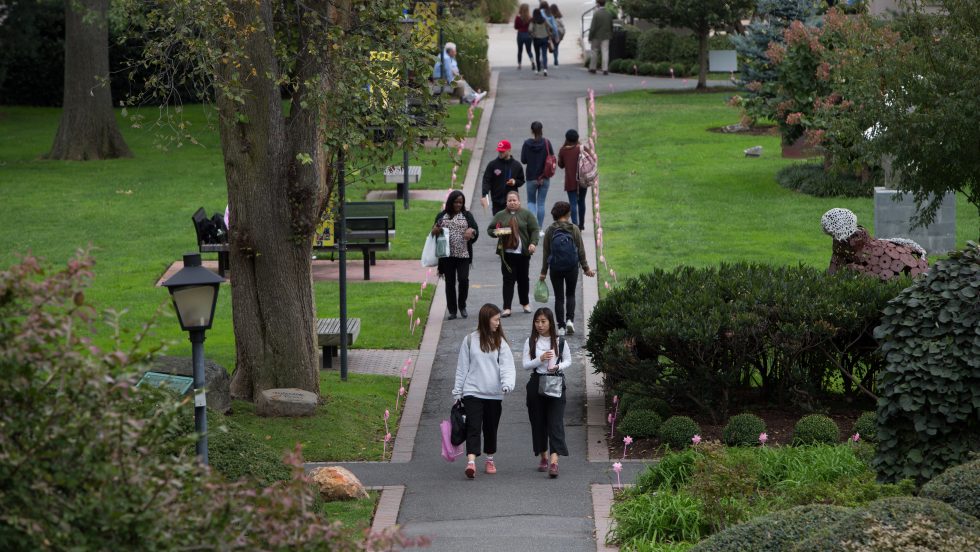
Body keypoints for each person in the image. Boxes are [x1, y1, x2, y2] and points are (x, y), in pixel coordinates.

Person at [453, 303, 516, 478]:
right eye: (495, 320)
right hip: (472, 391)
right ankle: (471, 462)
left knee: (490, 427)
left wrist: (507, 384)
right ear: (486, 319)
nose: (498, 323)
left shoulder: (500, 342)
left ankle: (489, 458)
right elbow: (462, 368)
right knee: (473, 426)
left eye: (499, 320)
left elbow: (507, 367)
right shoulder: (469, 340)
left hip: (494, 393)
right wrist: (457, 393)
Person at [522, 307, 571, 478]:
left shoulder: (560, 341)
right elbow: (525, 364)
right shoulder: (530, 341)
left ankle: (554, 461)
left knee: (555, 422)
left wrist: (558, 366)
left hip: (555, 382)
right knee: (538, 422)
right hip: (536, 383)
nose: (540, 325)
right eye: (537, 321)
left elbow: (568, 361)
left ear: (550, 323)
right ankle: (543, 455)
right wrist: (539, 359)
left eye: (543, 321)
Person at [539, 201, 595, 336]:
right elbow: (581, 250)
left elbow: (546, 252)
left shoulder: (550, 230)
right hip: (571, 267)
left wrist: (543, 272)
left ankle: (561, 326)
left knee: (559, 297)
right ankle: (570, 320)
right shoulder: (574, 228)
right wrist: (586, 268)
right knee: (570, 294)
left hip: (555, 267)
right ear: (567, 213)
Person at [488, 190, 539, 317]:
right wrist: (498, 232)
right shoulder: (500, 215)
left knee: (523, 280)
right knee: (508, 280)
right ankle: (507, 307)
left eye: (514, 200)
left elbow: (534, 229)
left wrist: (533, 243)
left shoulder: (526, 214)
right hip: (507, 255)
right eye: (509, 200)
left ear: (519, 201)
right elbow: (490, 229)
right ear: (506, 202)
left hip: (522, 254)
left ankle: (525, 303)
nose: (512, 202)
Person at [432, 190, 479, 320]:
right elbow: (434, 231)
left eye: (460, 202)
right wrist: (435, 230)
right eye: (456, 202)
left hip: (463, 254)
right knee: (450, 283)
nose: (458, 204)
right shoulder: (442, 216)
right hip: (447, 256)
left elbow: (476, 231)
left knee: (463, 280)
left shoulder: (467, 215)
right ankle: (452, 310)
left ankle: (462, 305)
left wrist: (472, 231)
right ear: (450, 202)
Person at [520, 121, 555, 229]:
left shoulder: (526, 143)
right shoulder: (546, 143)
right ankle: (539, 228)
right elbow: (552, 156)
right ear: (542, 130)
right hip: (544, 177)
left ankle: (532, 225)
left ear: (532, 131)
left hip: (531, 177)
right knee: (541, 203)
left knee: (531, 202)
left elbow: (523, 160)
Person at [481, 140, 526, 214]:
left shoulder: (516, 165)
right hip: (497, 201)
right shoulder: (492, 165)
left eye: (502, 151)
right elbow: (486, 181)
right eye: (499, 151)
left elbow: (521, 180)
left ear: (509, 150)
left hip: (512, 202)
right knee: (498, 224)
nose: (500, 153)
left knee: (511, 223)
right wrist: (484, 196)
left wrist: (514, 182)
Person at [556, 128, 588, 229]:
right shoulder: (582, 148)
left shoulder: (563, 150)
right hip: (583, 179)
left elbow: (561, 165)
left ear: (567, 139)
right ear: (577, 138)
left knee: (573, 204)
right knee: (582, 201)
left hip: (570, 181)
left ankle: (575, 226)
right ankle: (582, 224)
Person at [588, 0, 613, 75]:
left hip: (596, 36)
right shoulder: (609, 14)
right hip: (606, 36)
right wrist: (610, 34)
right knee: (605, 52)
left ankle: (593, 68)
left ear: (598, 4)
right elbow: (611, 25)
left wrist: (590, 37)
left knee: (594, 51)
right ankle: (605, 69)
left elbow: (592, 27)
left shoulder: (596, 14)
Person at [529, 8, 551, 77]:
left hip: (536, 39)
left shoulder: (533, 21)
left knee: (537, 54)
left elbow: (529, 29)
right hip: (544, 38)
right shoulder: (544, 19)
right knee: (544, 54)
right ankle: (545, 69)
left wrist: (532, 34)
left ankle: (538, 69)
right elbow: (550, 26)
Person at [514, 4, 535, 71]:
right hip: (528, 35)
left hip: (520, 34)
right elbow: (532, 27)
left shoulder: (518, 17)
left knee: (520, 50)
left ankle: (519, 64)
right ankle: (532, 62)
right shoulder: (530, 18)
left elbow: (516, 27)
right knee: (529, 50)